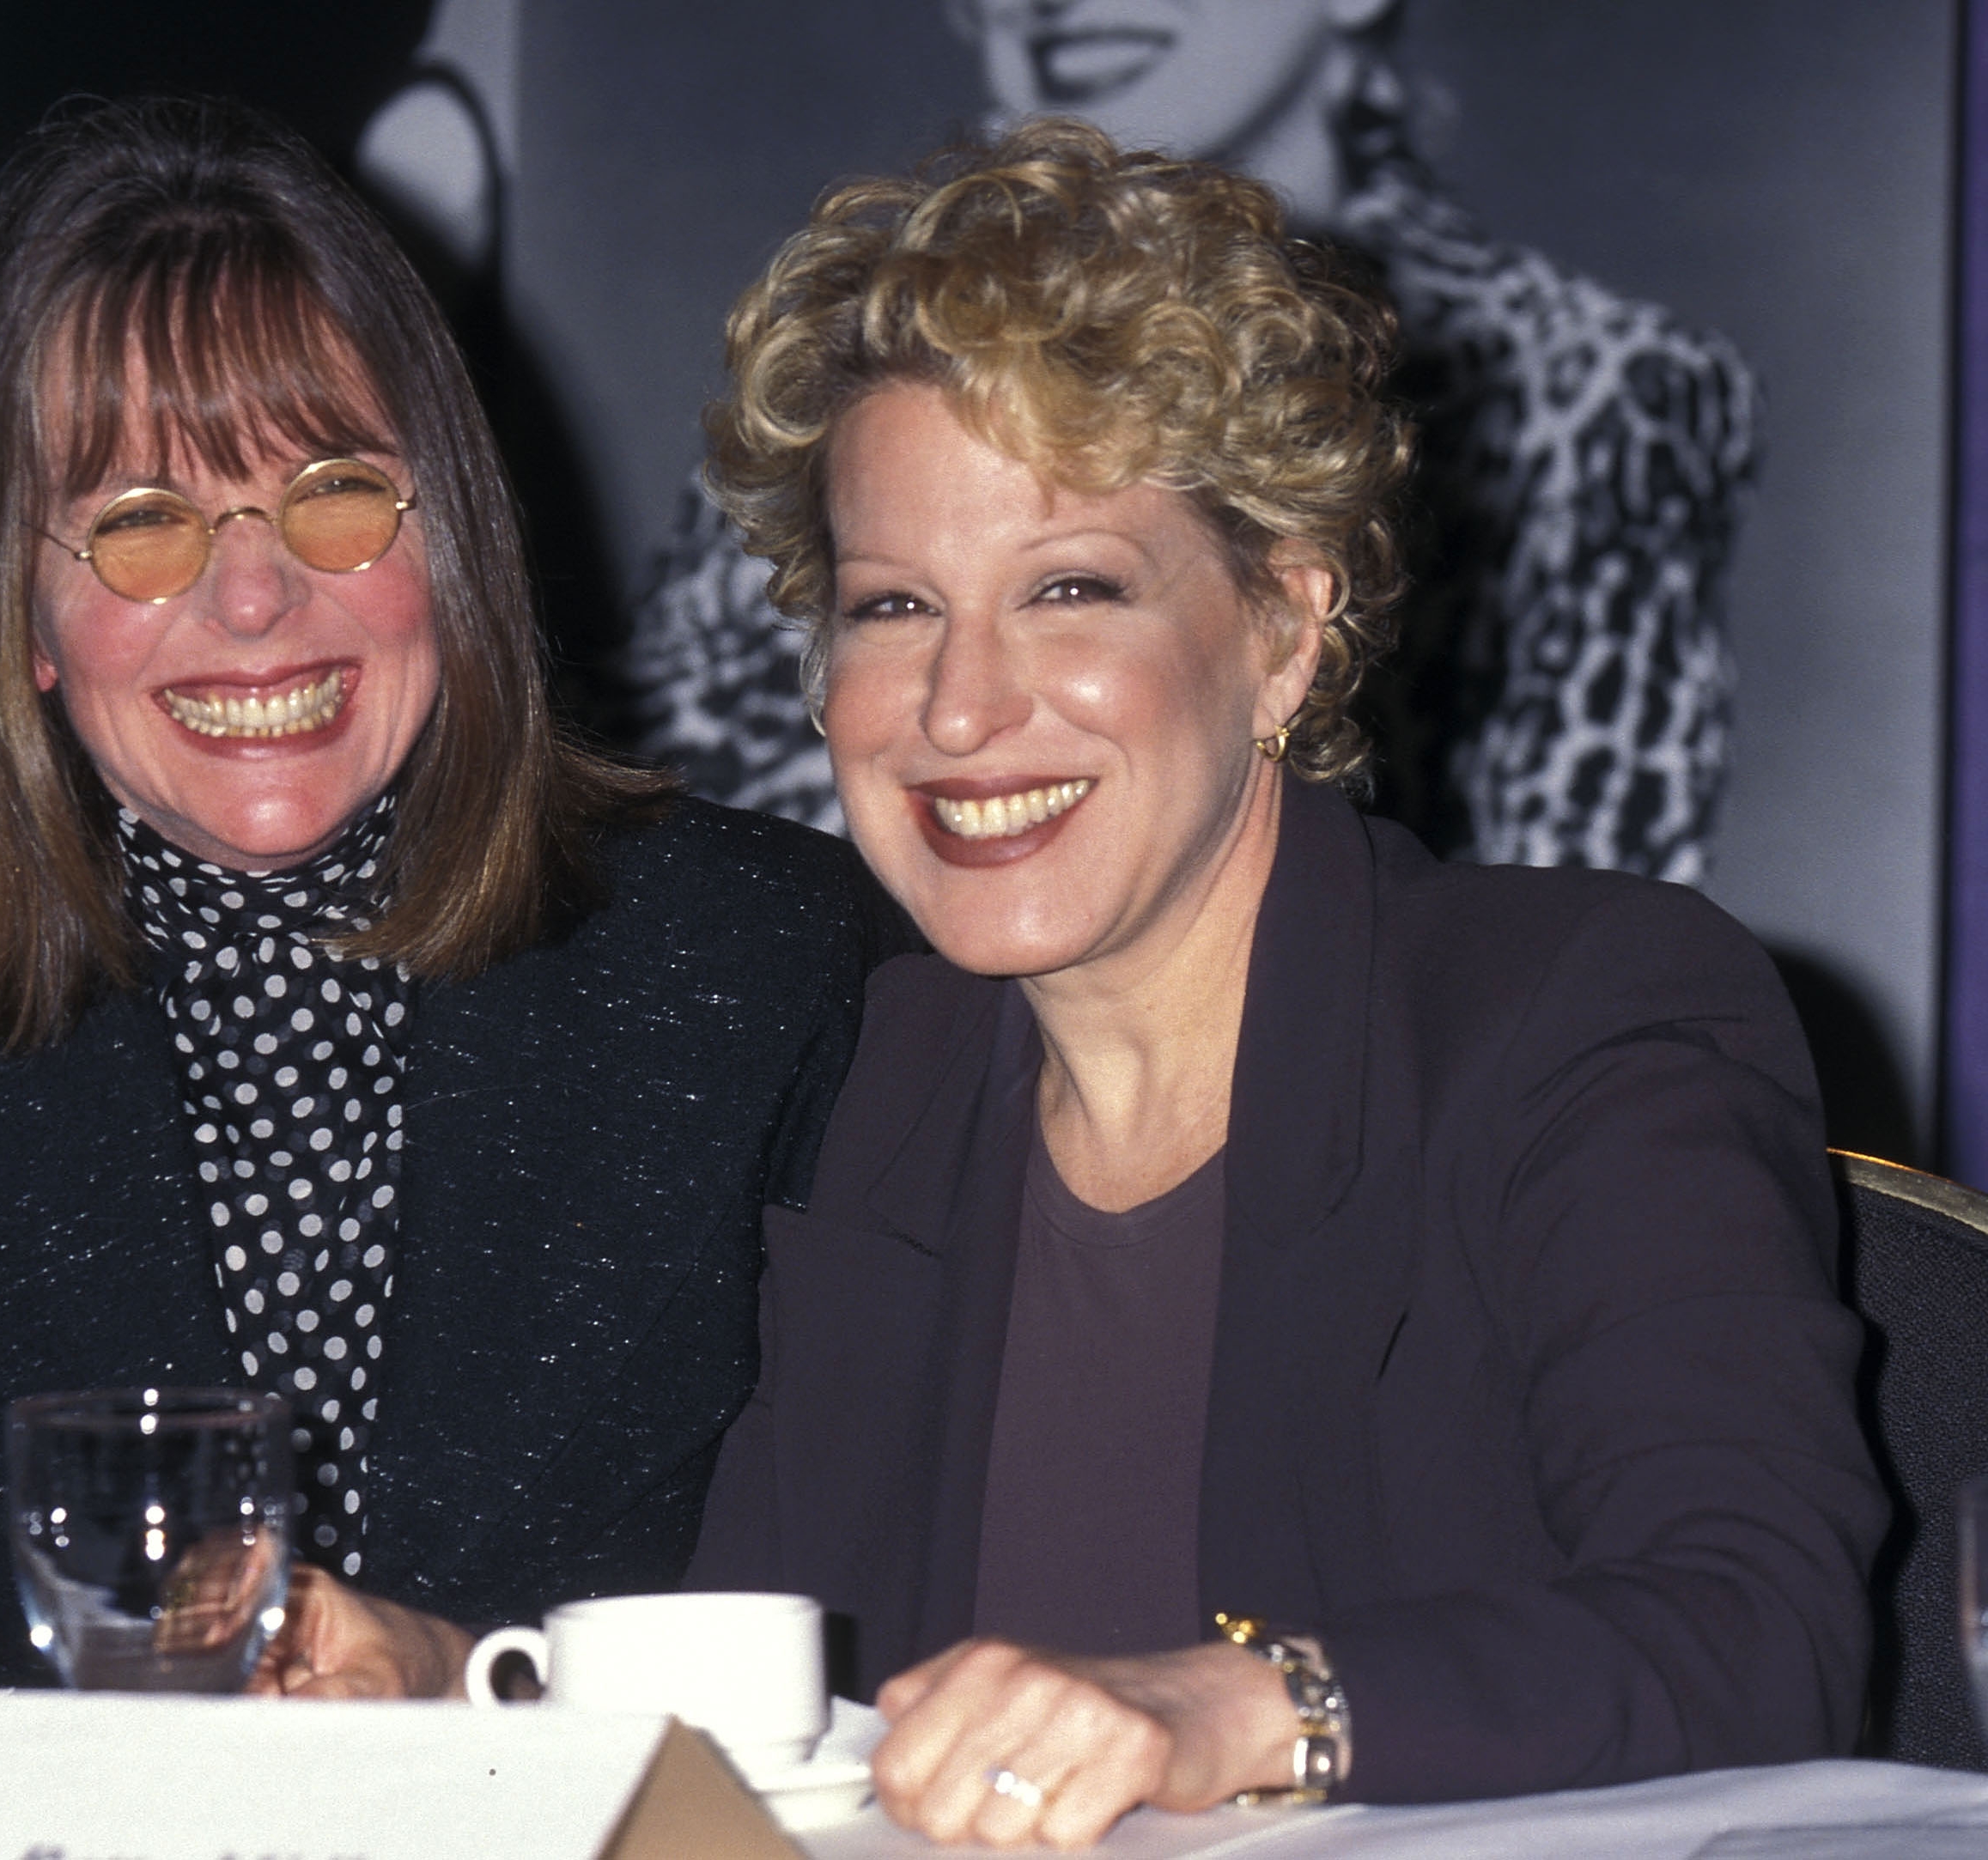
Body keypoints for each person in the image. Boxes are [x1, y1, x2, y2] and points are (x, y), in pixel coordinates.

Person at [0, 96, 896, 1692]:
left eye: (336, 490)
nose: (256, 597)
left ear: (451, 544)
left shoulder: (770, 968)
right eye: (140, 522)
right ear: (17, 613)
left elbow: (879, 1634)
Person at [684, 122, 1882, 1843]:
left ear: (1283, 632)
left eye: (1070, 589)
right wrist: (435, 1677)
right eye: (892, 609)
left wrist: (1231, 1707)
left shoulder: (1575, 1011)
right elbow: (757, 1704)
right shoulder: (880, 1076)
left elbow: (1759, 1631)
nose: (958, 707)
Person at [628, 0, 1755, 884]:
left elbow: (1564, 936)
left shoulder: (1590, 390)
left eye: (1074, 587)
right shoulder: (854, 392)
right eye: (891, 605)